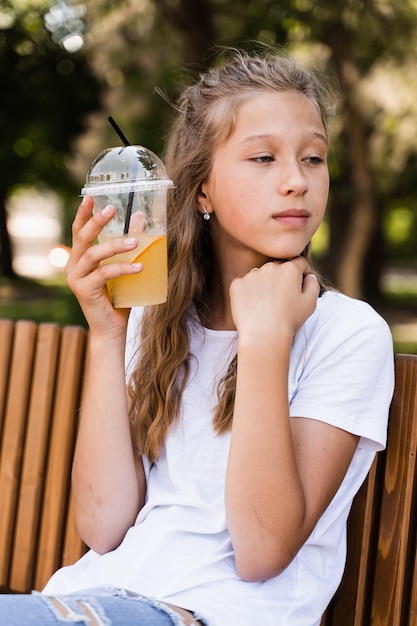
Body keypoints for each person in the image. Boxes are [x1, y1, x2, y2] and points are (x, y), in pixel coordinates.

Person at [0, 48, 394, 626]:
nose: (296, 181)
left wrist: (265, 341)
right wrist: (108, 335)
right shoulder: (160, 322)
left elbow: (261, 551)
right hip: (101, 595)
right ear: (202, 190)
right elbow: (105, 526)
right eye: (263, 158)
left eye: (313, 158)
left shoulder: (347, 333)